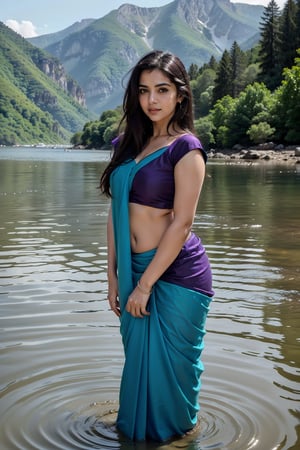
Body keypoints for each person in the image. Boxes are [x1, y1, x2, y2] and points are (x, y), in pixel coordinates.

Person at [100, 50, 214, 442]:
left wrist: (146, 285)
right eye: (144, 90)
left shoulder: (186, 149)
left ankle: (182, 437)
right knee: (138, 365)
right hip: (132, 269)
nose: (152, 100)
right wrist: (113, 274)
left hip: (177, 275)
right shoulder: (125, 145)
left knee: (175, 372)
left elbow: (182, 223)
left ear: (180, 95)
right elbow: (115, 215)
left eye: (163, 90)